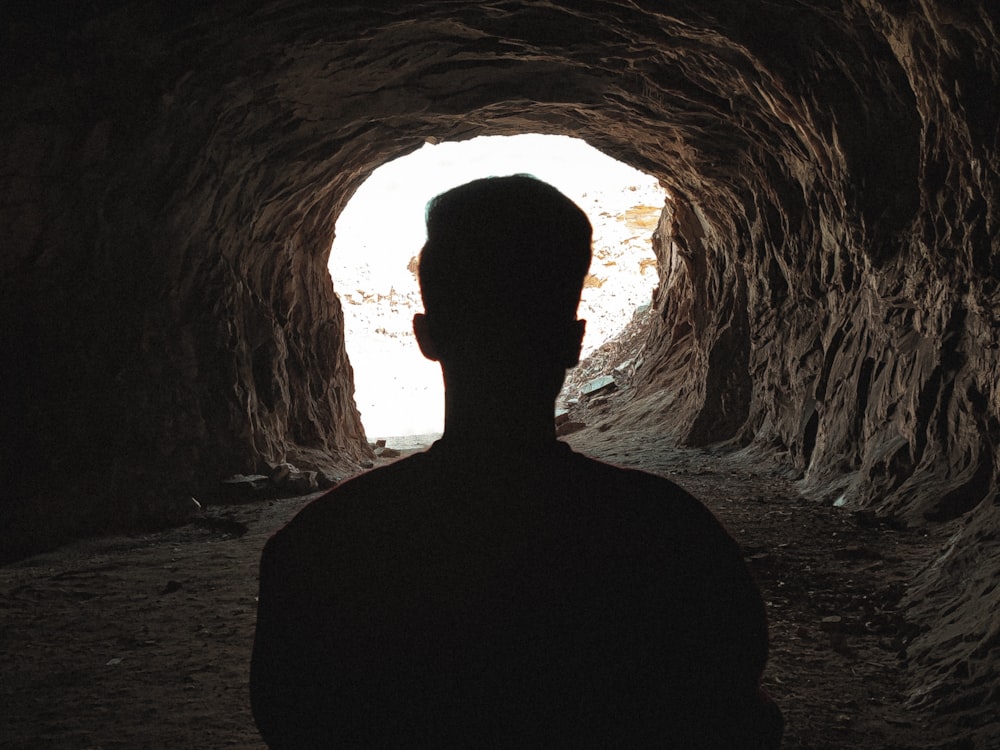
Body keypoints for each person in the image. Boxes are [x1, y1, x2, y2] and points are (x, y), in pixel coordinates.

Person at [250, 175, 783, 748]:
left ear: (427, 336)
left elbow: (289, 719)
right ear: (574, 342)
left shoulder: (323, 544)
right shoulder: (673, 537)